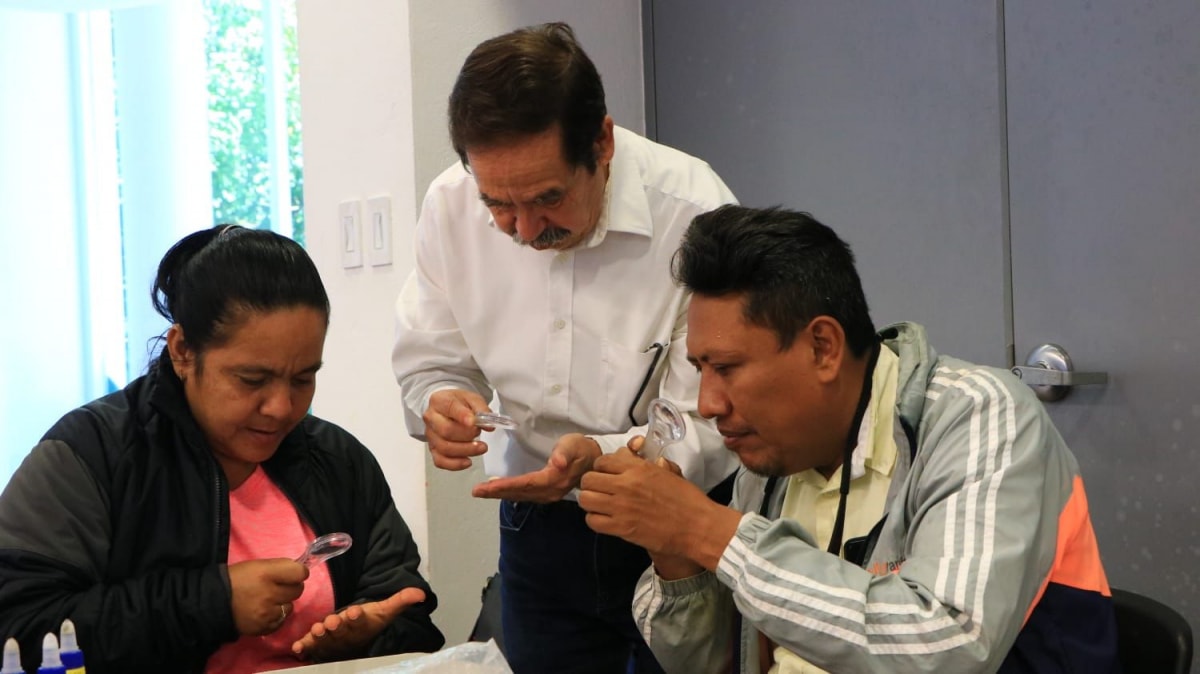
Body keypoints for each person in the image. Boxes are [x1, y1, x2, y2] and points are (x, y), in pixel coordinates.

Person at [579, 205, 1120, 673]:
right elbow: (717, 663)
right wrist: (676, 554)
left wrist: (705, 529)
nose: (708, 404)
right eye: (700, 369)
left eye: (726, 368)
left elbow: (946, 648)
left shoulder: (980, 416)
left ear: (823, 347)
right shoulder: (772, 456)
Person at [392, 22, 740, 674]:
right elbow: (432, 356)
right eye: (499, 205)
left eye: (548, 198)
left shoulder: (693, 213)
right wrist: (442, 400)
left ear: (601, 142)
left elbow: (716, 417)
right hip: (538, 527)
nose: (525, 230)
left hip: (674, 516)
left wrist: (599, 457)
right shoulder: (449, 206)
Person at [0, 225, 444, 673]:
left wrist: (369, 640)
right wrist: (213, 602)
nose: (281, 407)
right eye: (252, 380)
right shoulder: (91, 456)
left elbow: (408, 618)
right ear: (182, 351)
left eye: (303, 378)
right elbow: (18, 629)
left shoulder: (338, 461)